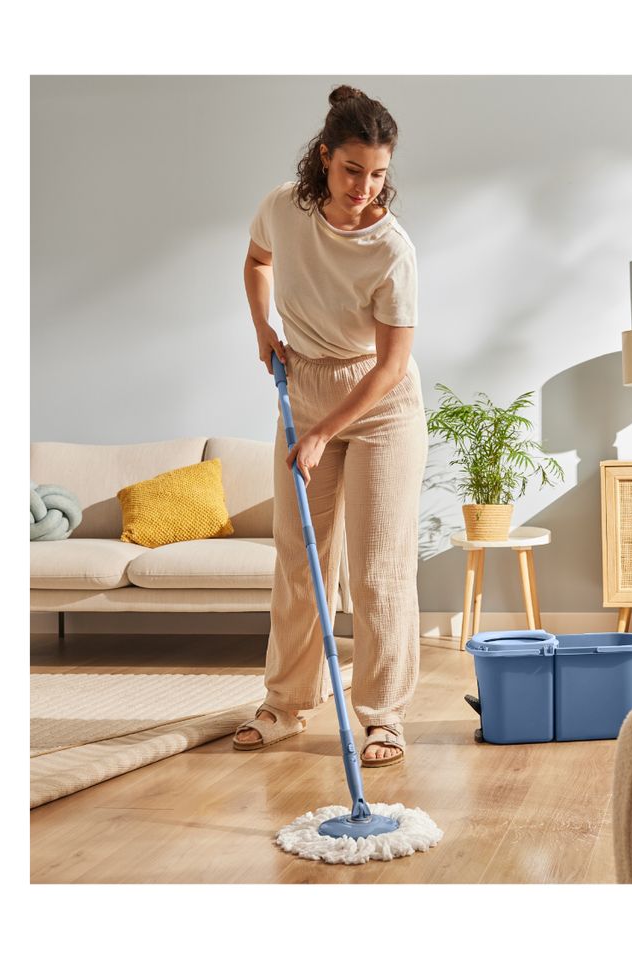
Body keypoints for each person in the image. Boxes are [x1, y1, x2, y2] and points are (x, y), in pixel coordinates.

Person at [234, 84, 427, 768]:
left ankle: (382, 716)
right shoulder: (283, 209)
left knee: (378, 569)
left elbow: (390, 366)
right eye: (352, 170)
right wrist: (265, 330)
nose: (364, 188)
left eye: (378, 174)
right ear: (325, 157)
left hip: (382, 406)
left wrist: (320, 433)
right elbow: (258, 262)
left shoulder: (390, 247)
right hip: (306, 383)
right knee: (300, 560)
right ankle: (285, 705)